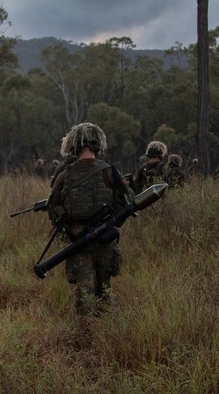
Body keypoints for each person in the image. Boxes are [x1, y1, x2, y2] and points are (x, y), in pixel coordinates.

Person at [46, 123, 133, 316]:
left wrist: (68, 229)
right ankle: (104, 330)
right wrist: (110, 225)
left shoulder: (64, 175)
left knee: (84, 292)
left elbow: (53, 209)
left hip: (78, 242)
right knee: (104, 291)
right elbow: (125, 205)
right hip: (105, 241)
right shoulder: (110, 172)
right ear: (98, 144)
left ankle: (85, 334)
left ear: (73, 145)